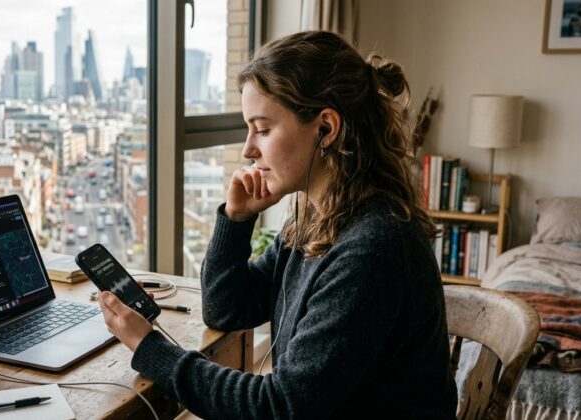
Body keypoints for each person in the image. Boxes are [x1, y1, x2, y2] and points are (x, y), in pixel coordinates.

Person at [97, 31, 457, 418]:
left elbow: (279, 407)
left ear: (326, 129)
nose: (248, 149)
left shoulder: (375, 246)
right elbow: (226, 310)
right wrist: (237, 219)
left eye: (263, 129)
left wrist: (149, 347)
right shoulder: (317, 217)